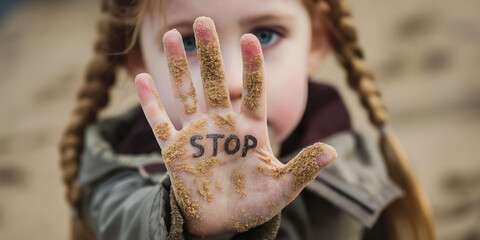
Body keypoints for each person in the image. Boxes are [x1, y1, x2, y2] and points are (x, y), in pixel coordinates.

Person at [59, 0, 436, 239]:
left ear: (317, 42)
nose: (233, 80)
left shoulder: (355, 159)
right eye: (190, 43)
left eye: (266, 34)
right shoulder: (117, 183)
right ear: (139, 61)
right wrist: (191, 223)